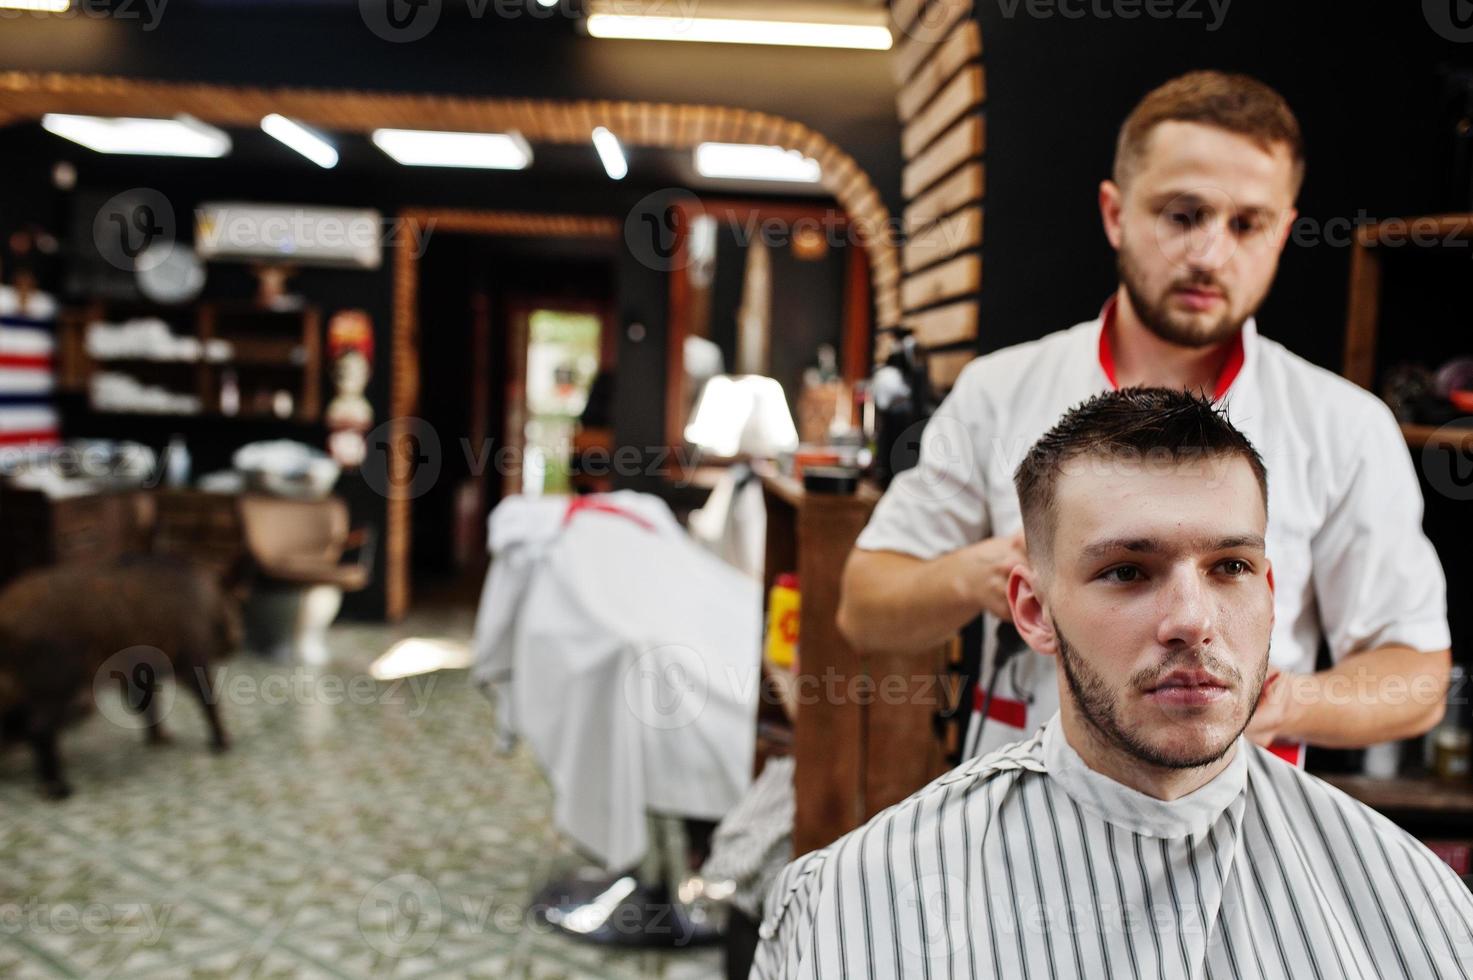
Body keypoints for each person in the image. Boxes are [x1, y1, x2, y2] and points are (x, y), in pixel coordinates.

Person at [839, 70, 1452, 763]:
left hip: (1236, 833)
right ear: (1114, 213)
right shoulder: (999, 391)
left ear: (1282, 233)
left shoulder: (1344, 425)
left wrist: (1277, 700)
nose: (1208, 254)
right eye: (1181, 215)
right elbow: (864, 607)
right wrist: (979, 572)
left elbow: (1417, 679)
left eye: (1245, 224)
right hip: (1028, 829)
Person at [754, 389, 1473, 979]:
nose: (1192, 621)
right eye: (1127, 571)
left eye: (1230, 567)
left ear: (1270, 590)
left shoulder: (1412, 900)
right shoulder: (858, 904)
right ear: (1032, 611)